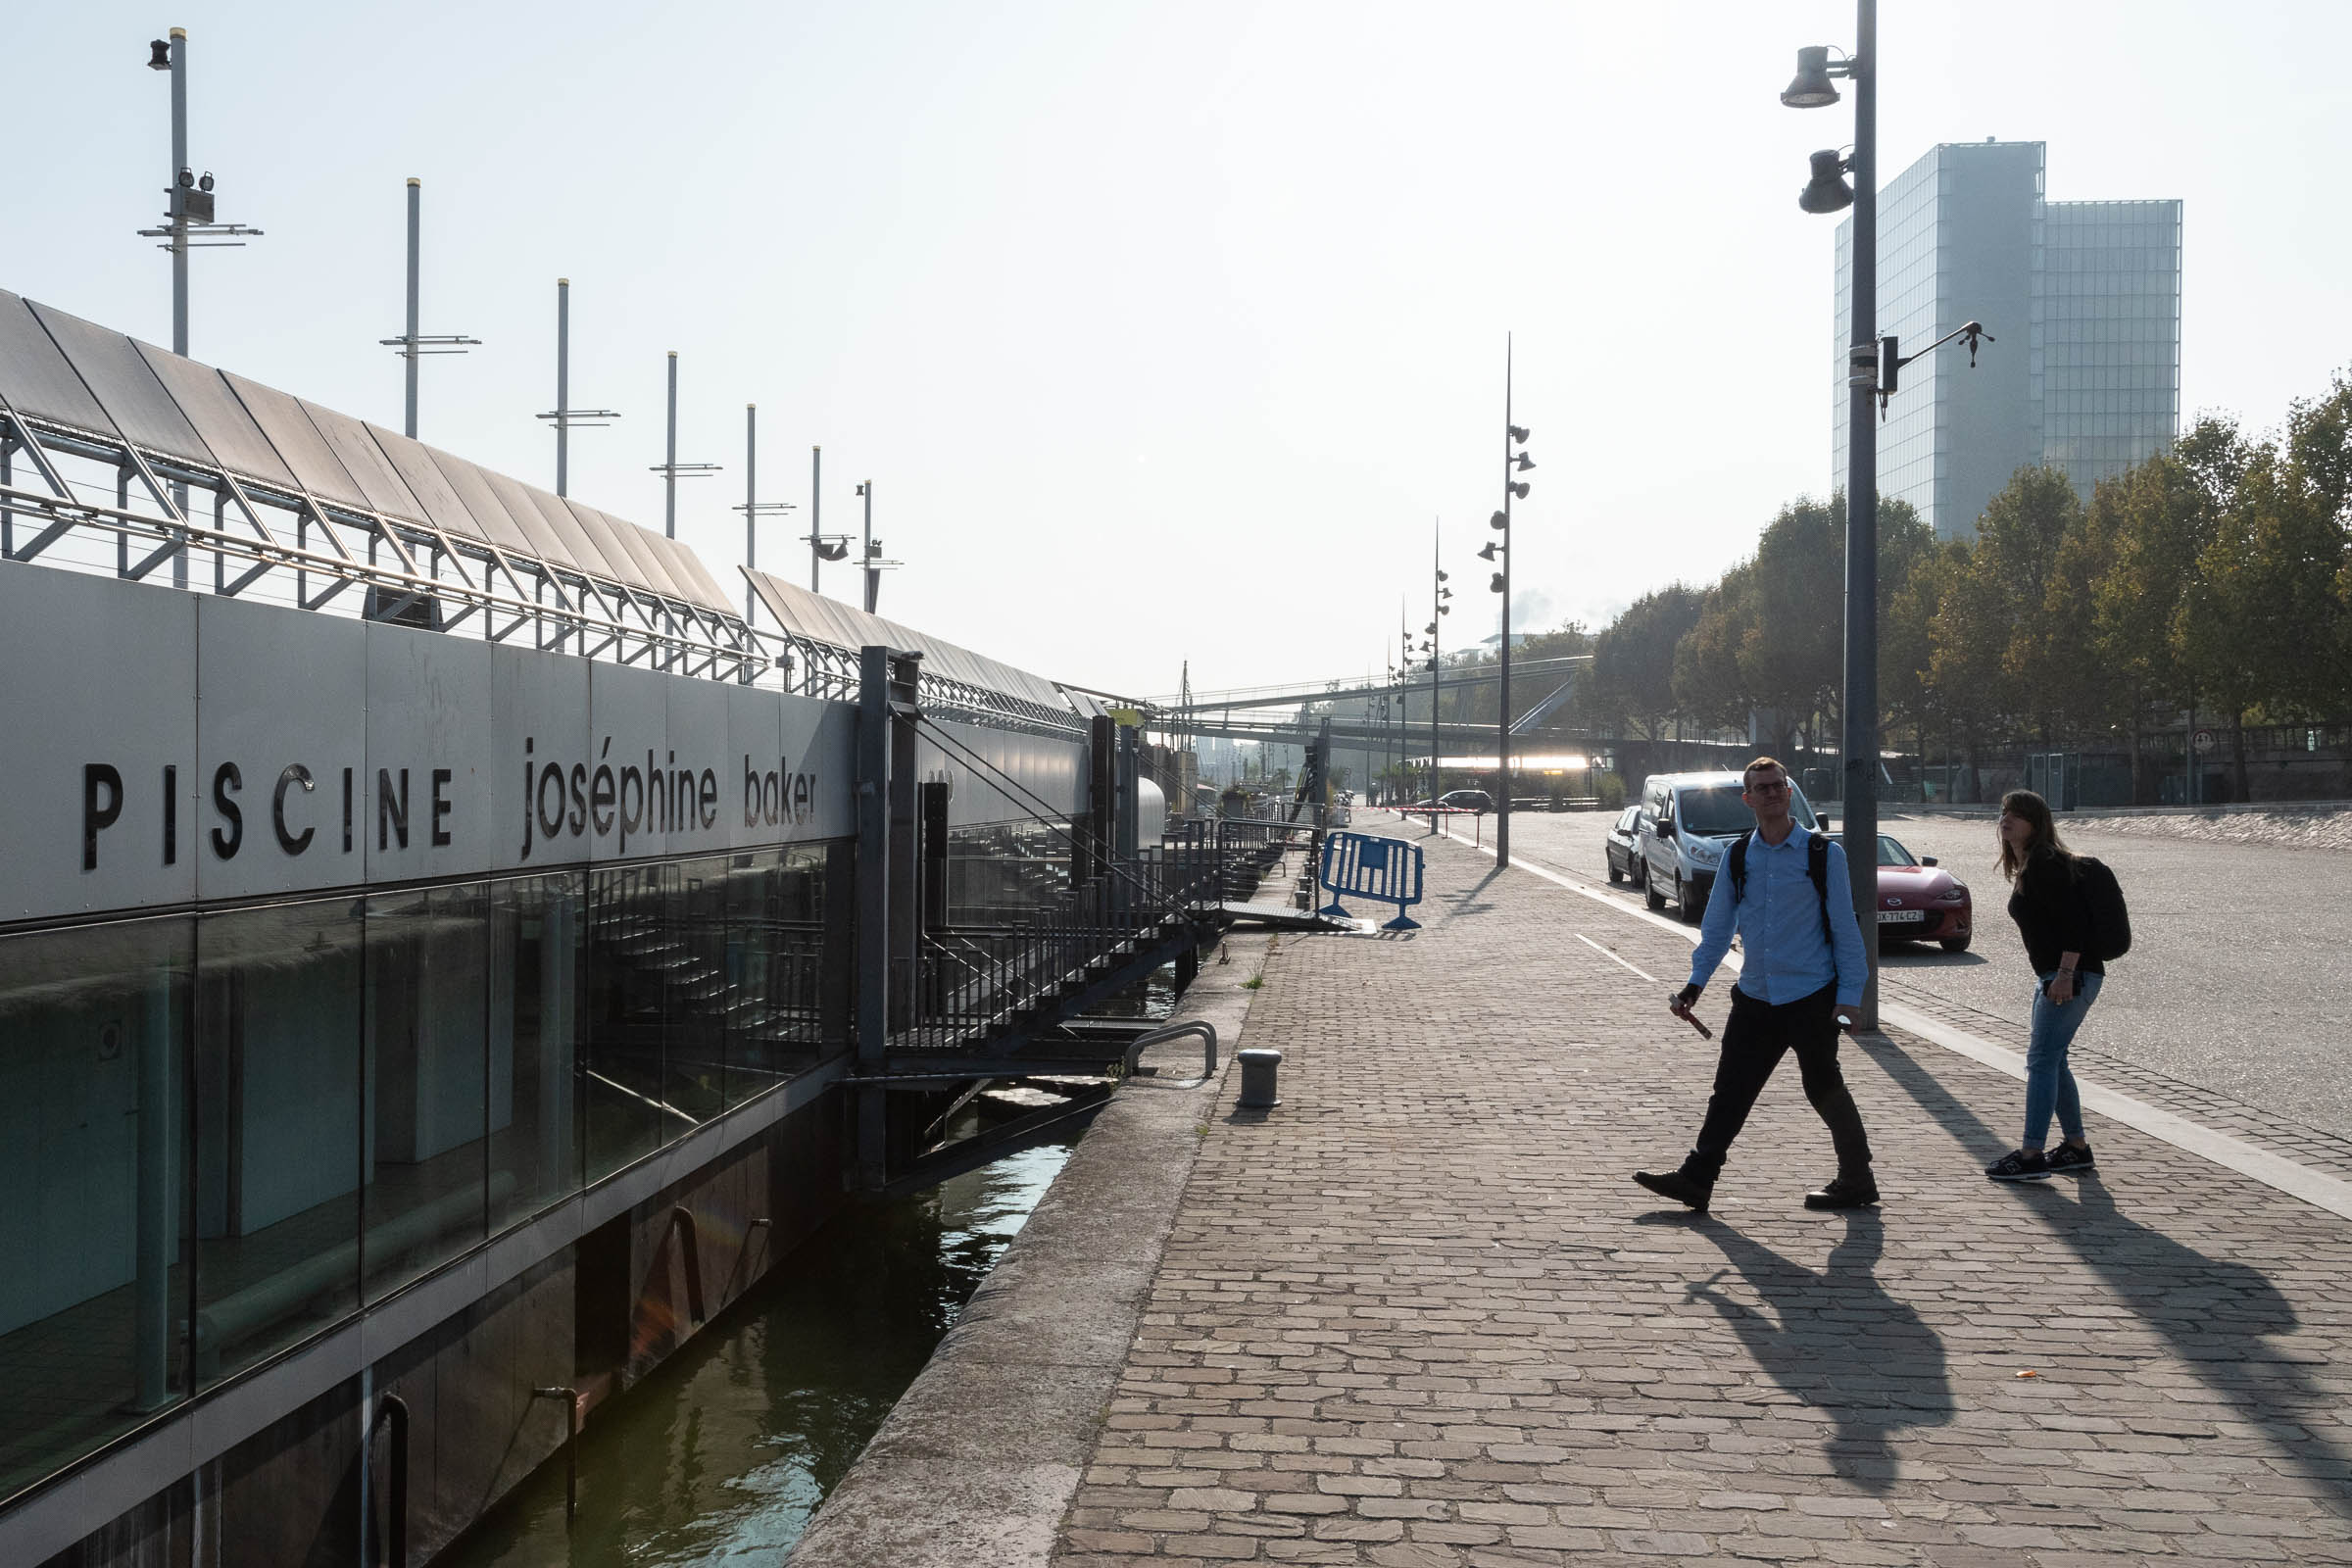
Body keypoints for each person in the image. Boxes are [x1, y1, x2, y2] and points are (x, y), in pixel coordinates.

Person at [1635, 757, 1878, 1212]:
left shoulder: (1824, 855)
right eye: (1761, 788)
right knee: (1731, 1089)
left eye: (1777, 786)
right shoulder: (1739, 855)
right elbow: (1717, 930)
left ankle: (1857, 1178)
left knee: (1822, 1085)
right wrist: (1694, 986)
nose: (1771, 793)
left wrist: (1850, 1000)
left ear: (1789, 793)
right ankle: (1697, 1178)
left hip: (1811, 996)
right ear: (1747, 799)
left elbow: (1847, 931)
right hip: (1755, 998)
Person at [1984, 789, 2102, 1182]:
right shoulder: (2031, 864)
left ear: (2036, 823)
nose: (2006, 820)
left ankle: (2032, 1154)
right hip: (2059, 974)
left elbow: (2076, 925)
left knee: (2040, 1060)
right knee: (2054, 1059)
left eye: (2016, 815)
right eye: (2004, 813)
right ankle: (2075, 1148)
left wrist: (2066, 974)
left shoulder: (2045, 864)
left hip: (2069, 975)